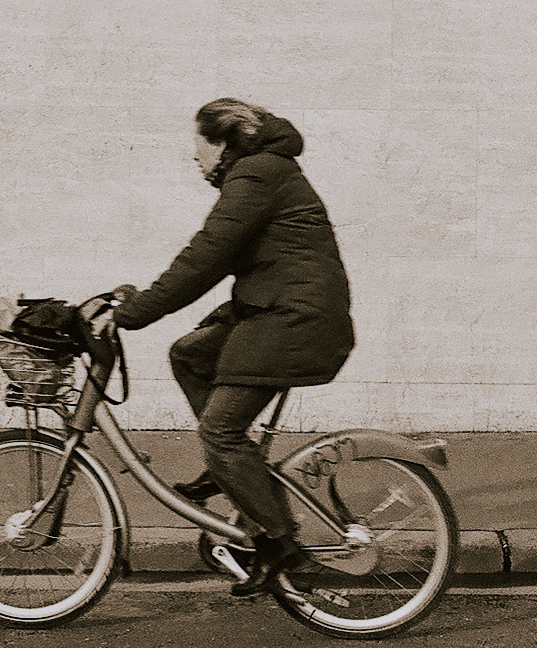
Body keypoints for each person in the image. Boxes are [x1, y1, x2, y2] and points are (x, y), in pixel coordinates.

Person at [107, 98, 355, 597]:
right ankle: (231, 470)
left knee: (221, 431)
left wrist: (134, 313)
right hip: (279, 311)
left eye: (197, 148)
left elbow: (206, 257)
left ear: (221, 142)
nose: (195, 160)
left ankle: (278, 540)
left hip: (294, 321)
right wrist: (140, 302)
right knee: (191, 352)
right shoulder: (263, 172)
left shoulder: (257, 175)